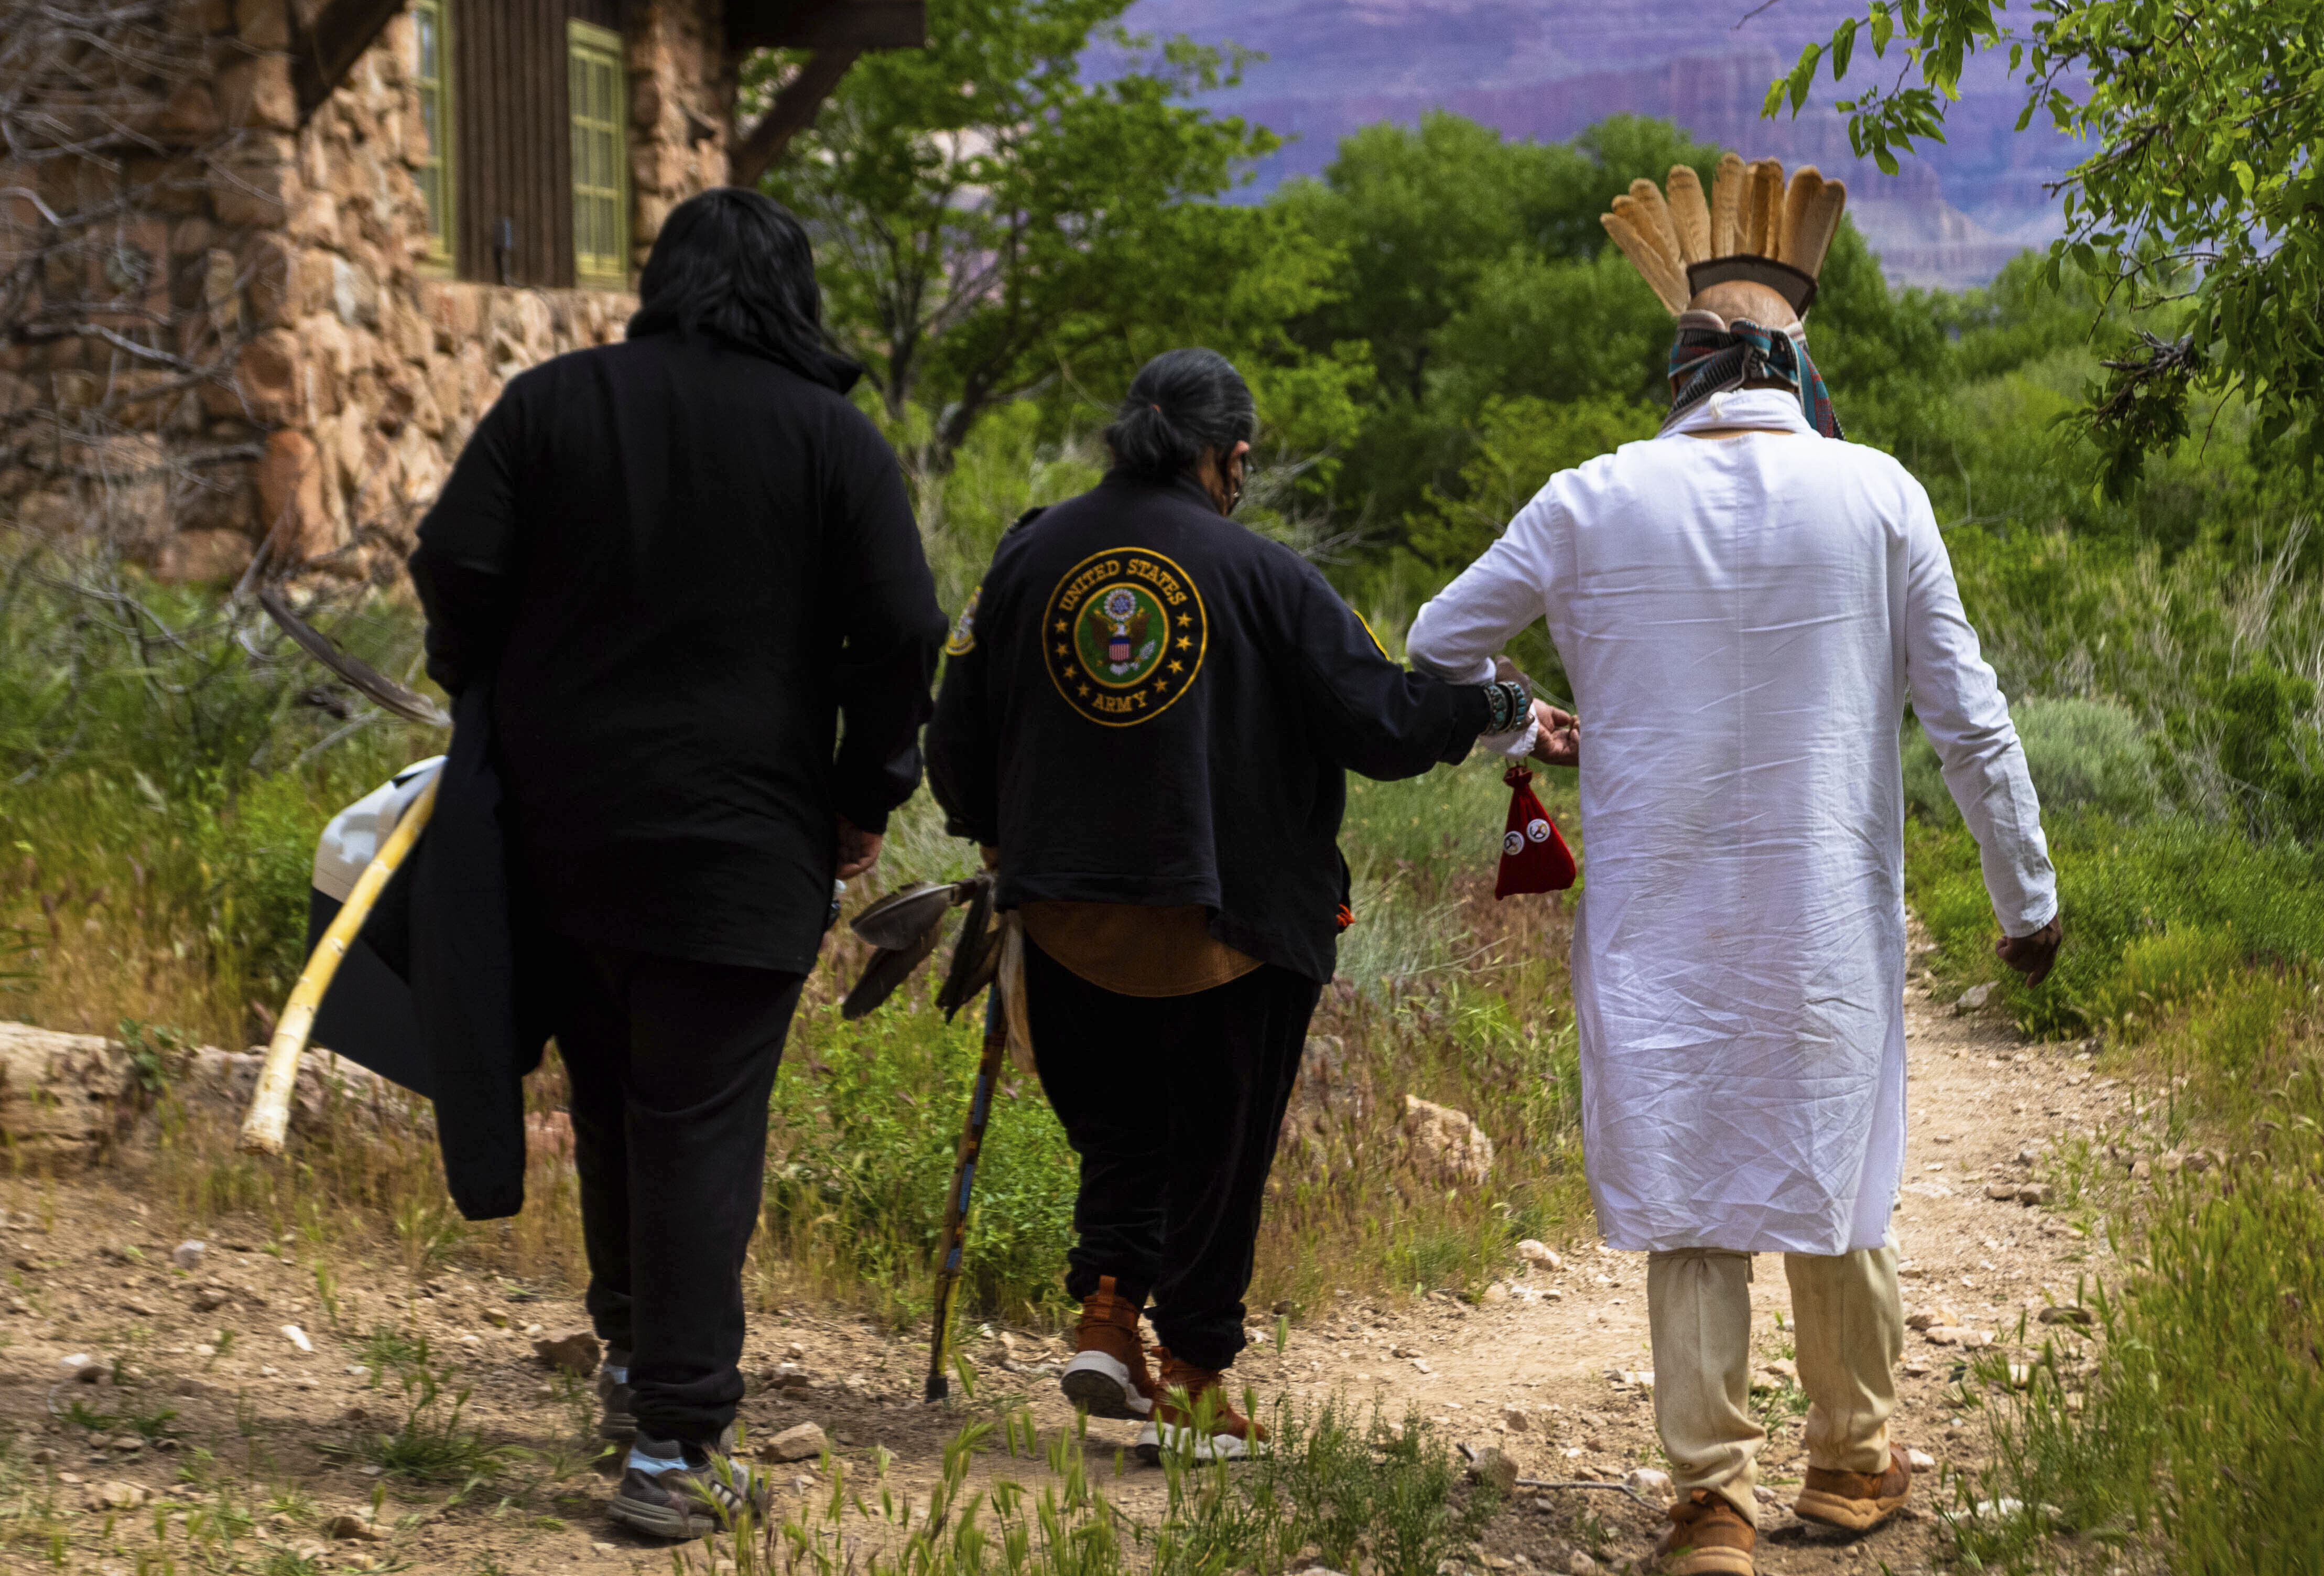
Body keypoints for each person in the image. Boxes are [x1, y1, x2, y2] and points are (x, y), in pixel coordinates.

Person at [1407, 155, 2062, 1575]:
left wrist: (1524, 722)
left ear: (1684, 372)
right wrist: (2029, 900)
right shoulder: (1881, 494)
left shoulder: (1588, 501)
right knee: (1838, 1170)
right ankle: (1853, 1465)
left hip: (1661, 917)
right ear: (1795, 369)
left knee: (1694, 1181)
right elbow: (1967, 712)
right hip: (1825, 916)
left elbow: (1434, 643)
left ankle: (1710, 1502)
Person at [410, 187, 944, 1541]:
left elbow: (453, 563)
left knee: (611, 1100)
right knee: (698, 1123)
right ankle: (679, 1446)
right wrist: (866, 793)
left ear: (664, 280)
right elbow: (901, 631)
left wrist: (491, 694)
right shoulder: (834, 442)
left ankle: (641, 1364)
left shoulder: (552, 404)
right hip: (742, 843)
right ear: (795, 296)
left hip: (554, 834)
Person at [925, 347, 1550, 1462]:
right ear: (1230, 458)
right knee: (1220, 1145)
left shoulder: (1027, 557)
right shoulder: (1266, 578)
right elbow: (1382, 725)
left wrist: (993, 833)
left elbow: (956, 724)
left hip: (1065, 913)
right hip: (1227, 925)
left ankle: (1109, 1320)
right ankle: (1198, 1379)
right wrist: (1498, 700)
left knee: (1120, 1124)